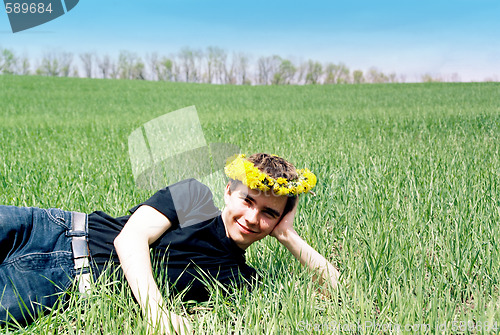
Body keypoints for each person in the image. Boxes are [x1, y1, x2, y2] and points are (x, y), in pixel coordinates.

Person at [0, 153, 340, 334]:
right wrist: (157, 314)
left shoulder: (240, 280)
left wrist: (288, 235)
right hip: (48, 229)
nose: (252, 218)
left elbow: (336, 290)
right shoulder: (194, 196)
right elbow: (131, 238)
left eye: (269, 213)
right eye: (248, 201)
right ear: (228, 191)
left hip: (58, 285)